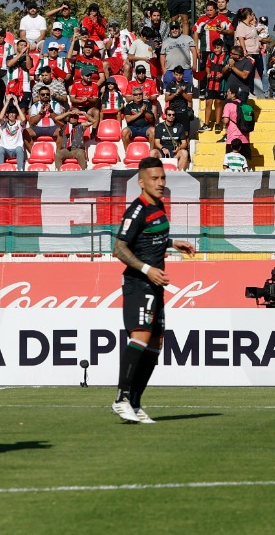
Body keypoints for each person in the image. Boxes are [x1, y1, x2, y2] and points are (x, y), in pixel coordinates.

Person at [112, 158, 197, 424]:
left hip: (156, 284)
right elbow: (119, 248)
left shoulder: (158, 206)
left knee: (156, 343)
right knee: (141, 335)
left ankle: (135, 404)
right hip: (139, 283)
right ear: (141, 182)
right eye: (154, 179)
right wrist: (147, 269)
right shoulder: (136, 210)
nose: (160, 183)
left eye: (162, 178)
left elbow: (149, 237)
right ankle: (121, 398)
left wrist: (173, 243)